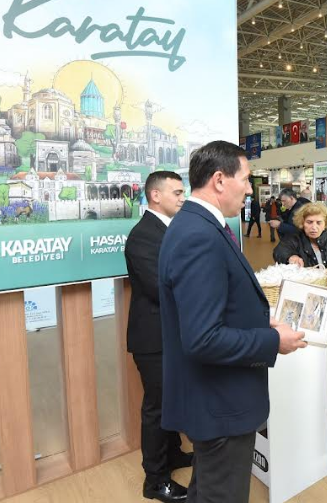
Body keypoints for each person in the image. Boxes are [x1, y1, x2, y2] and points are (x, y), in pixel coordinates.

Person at [158, 141, 307, 503]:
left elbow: (215, 311)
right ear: (220, 180)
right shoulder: (198, 236)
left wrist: (260, 324)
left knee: (207, 489)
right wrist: (273, 342)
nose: (250, 188)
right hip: (219, 402)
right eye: (246, 179)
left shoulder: (198, 226)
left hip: (214, 399)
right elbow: (203, 338)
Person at [125, 171, 189, 503]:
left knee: (172, 399)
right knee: (157, 406)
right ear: (155, 195)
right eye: (177, 192)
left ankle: (174, 453)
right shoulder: (142, 237)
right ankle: (155, 478)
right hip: (153, 337)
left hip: (172, 334)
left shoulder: (169, 229)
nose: (182, 198)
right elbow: (159, 287)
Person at [273, 202, 327, 417]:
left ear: (325, 223)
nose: (314, 227)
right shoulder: (294, 240)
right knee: (303, 348)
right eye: (309, 222)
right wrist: (291, 257)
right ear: (302, 223)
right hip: (303, 306)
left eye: (318, 222)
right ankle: (303, 394)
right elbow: (279, 251)